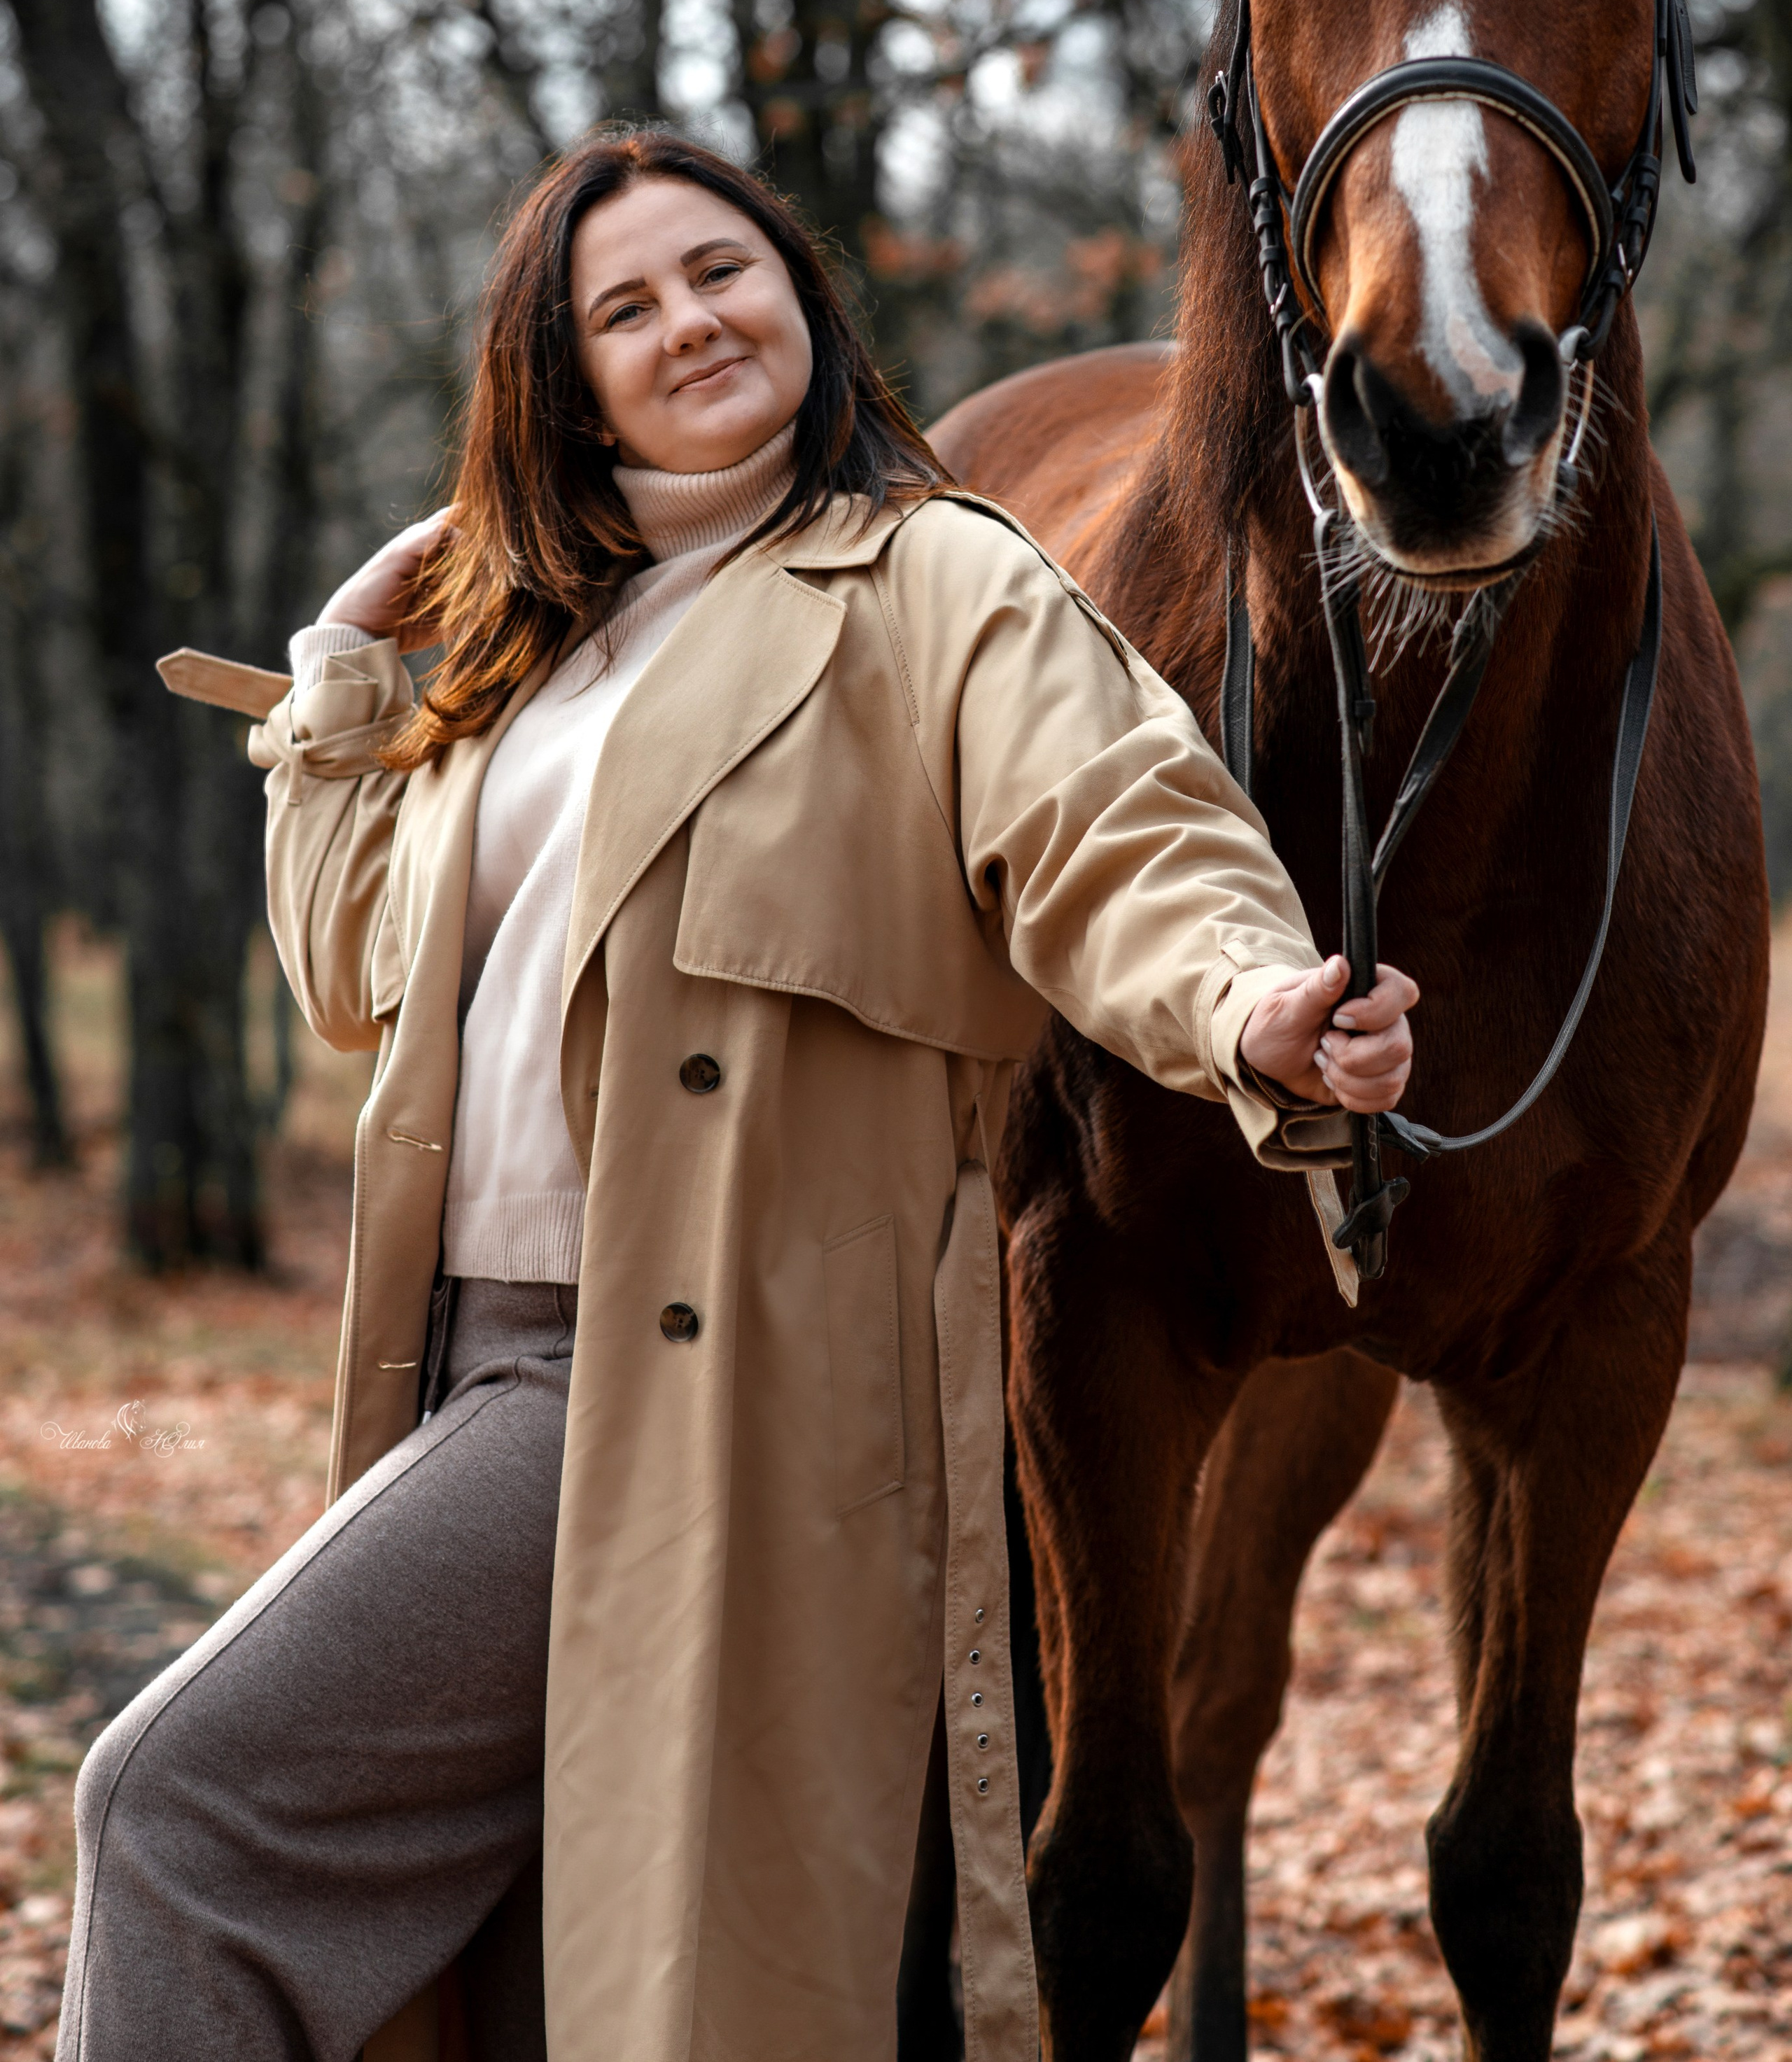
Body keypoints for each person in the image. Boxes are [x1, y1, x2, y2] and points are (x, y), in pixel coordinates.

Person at [57, 130, 1417, 2062]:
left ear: (798, 292)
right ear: (565, 375)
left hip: (692, 1377)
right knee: (537, 1996)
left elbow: (1121, 823)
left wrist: (1256, 1003)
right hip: (459, 1365)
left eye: (723, 269)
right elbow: (363, 969)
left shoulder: (933, 579)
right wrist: (352, 682)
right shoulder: (533, 642)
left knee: (176, 1801)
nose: (690, 319)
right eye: (625, 305)